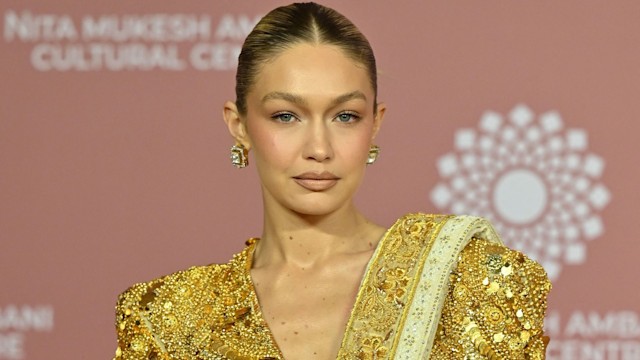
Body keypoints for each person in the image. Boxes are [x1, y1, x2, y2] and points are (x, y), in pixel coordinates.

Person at [113, 3, 551, 359]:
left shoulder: (469, 280)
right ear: (239, 125)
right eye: (286, 116)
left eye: (346, 116)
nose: (319, 147)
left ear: (375, 124)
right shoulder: (172, 322)